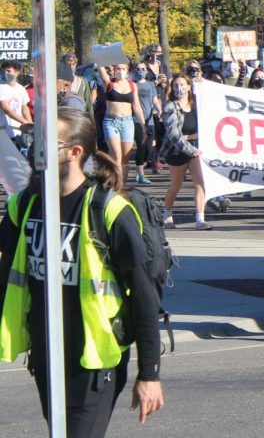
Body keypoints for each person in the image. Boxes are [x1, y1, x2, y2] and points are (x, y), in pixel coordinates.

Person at [0, 108, 164, 434]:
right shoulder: (25, 205)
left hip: (94, 364)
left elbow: (144, 296)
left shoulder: (109, 209)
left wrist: (150, 374)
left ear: (75, 152)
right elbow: (6, 278)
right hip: (45, 356)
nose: (35, 148)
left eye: (47, 142)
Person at [160, 75, 211, 230]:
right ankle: (167, 214)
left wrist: (205, 85)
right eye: (175, 85)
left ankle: (200, 218)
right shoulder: (170, 107)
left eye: (182, 85)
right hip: (177, 149)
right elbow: (174, 134)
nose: (179, 88)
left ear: (189, 87)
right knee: (176, 184)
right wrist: (190, 149)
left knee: (200, 183)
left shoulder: (197, 104)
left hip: (196, 144)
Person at [98, 62, 146, 179]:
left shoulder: (132, 85)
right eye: (118, 69)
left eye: (123, 69)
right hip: (111, 122)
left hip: (127, 122)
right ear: (114, 70)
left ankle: (122, 185)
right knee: (116, 156)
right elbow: (100, 68)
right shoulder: (110, 83)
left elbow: (136, 106)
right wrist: (104, 52)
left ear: (128, 71)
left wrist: (143, 123)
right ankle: (115, 184)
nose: (120, 71)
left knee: (125, 158)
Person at [133, 62, 161, 185]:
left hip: (149, 120)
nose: (141, 71)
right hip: (136, 120)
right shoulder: (132, 85)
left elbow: (154, 100)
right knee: (141, 145)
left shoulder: (150, 85)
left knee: (149, 147)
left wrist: (159, 110)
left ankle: (139, 167)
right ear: (135, 71)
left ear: (146, 71)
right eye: (138, 69)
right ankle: (140, 175)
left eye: (143, 69)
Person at [0, 60, 32, 142]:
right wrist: (25, 122)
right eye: (4, 71)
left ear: (17, 72)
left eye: (8, 71)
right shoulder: (1, 88)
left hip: (18, 132)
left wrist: (30, 124)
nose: (5, 73)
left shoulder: (21, 89)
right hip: (3, 132)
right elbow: (6, 109)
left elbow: (24, 108)